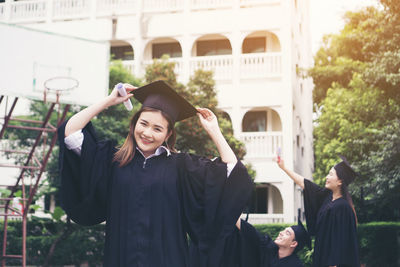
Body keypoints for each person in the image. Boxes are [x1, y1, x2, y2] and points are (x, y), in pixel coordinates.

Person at [58, 80, 253, 267]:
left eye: (157, 128)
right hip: (121, 259)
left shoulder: (182, 167)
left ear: (168, 134)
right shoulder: (114, 161)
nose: (147, 133)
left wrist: (214, 131)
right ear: (134, 124)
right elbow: (70, 133)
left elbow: (231, 173)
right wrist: (109, 101)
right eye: (143, 124)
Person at [277, 156, 360, 267]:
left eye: (331, 174)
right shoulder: (328, 197)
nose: (327, 177)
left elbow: (340, 243)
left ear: (340, 181)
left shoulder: (342, 208)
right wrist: (284, 168)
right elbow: (304, 184)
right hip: (321, 256)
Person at [190, 217, 311, 267]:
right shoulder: (269, 248)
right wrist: (230, 210)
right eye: (283, 230)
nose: (281, 233)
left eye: (287, 233)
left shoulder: (295, 265)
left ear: (293, 243)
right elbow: (251, 233)